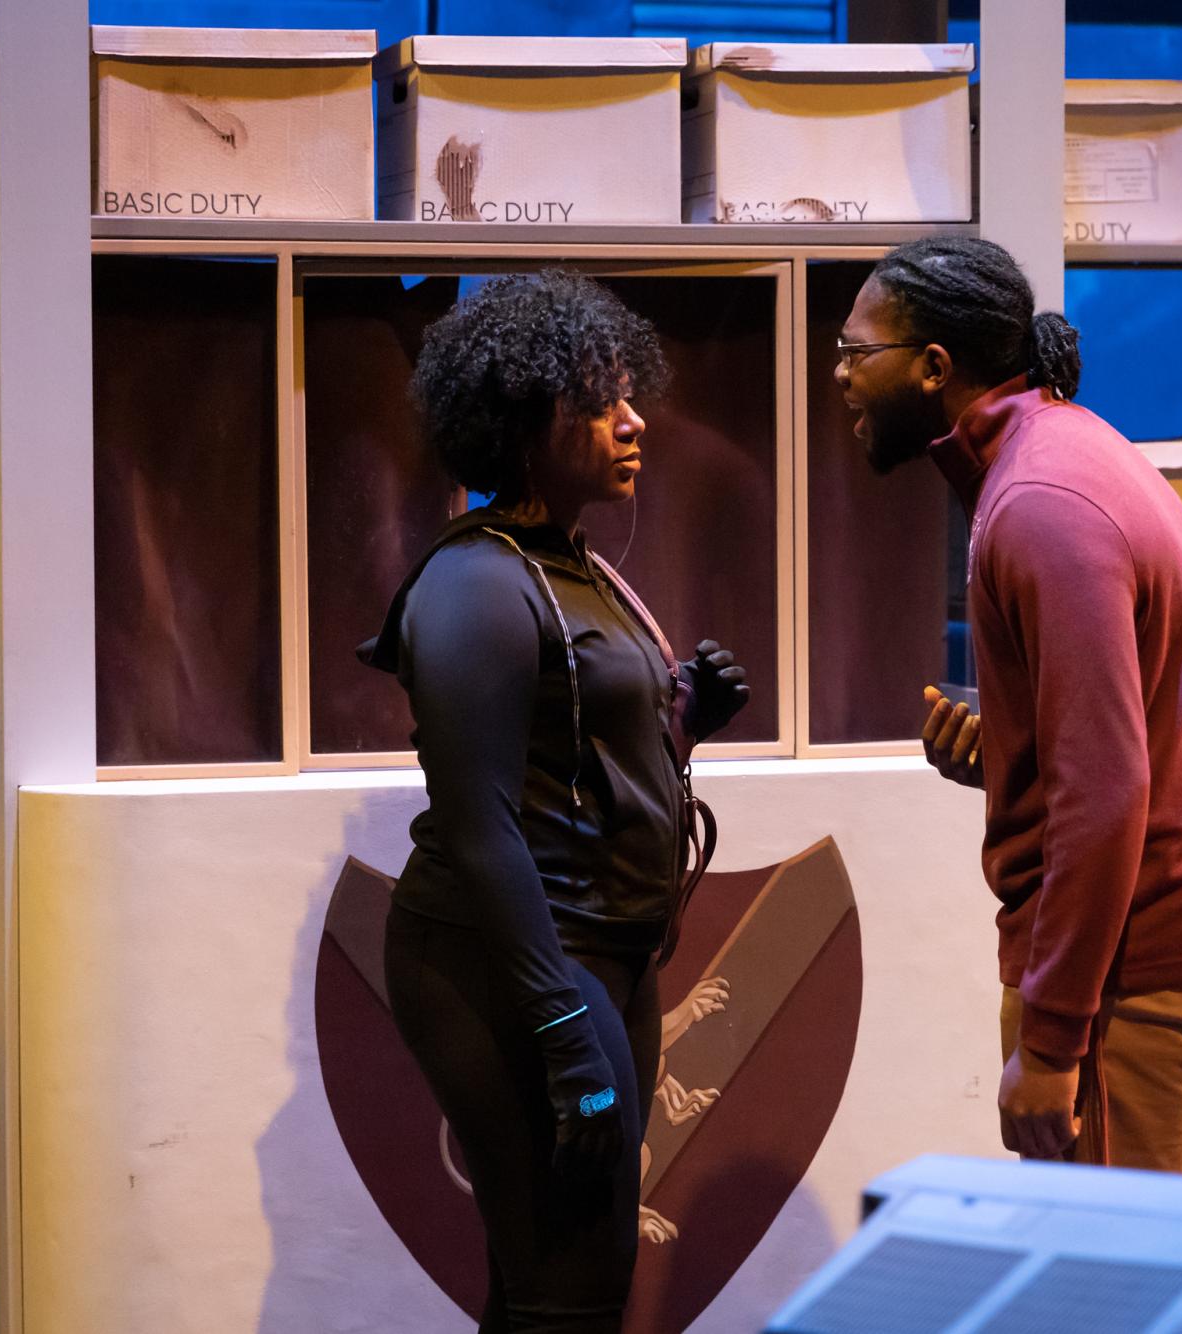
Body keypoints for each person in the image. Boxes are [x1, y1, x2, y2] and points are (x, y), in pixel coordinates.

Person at [834, 236, 1182, 1172]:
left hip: (1143, 940)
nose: (838, 375)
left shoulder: (1041, 501)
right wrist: (1010, 753)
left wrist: (1050, 1043)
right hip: (1145, 922)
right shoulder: (1051, 455)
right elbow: (1116, 741)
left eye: (856, 352)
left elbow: (1107, 791)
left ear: (933, 368)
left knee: (1118, 1276)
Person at [360, 270, 750, 1332]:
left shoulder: (565, 564)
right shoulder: (477, 583)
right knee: (570, 1282)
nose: (633, 423)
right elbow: (482, 823)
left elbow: (567, 760)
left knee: (562, 1276)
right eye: (599, 401)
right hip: (513, 961)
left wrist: (683, 725)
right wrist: (558, 1017)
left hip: (598, 950)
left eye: (631, 394)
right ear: (522, 417)